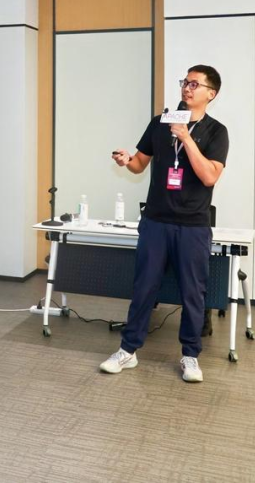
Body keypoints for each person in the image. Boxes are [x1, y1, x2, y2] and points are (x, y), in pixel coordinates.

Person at [99, 65, 229, 383]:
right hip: (156, 221)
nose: (187, 88)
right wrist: (126, 160)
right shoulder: (160, 123)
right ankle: (128, 350)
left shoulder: (217, 131)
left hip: (193, 225)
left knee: (193, 293)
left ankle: (190, 356)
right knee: (144, 287)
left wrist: (186, 138)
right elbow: (139, 165)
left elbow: (209, 176)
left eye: (195, 84)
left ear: (211, 94)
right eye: (185, 82)